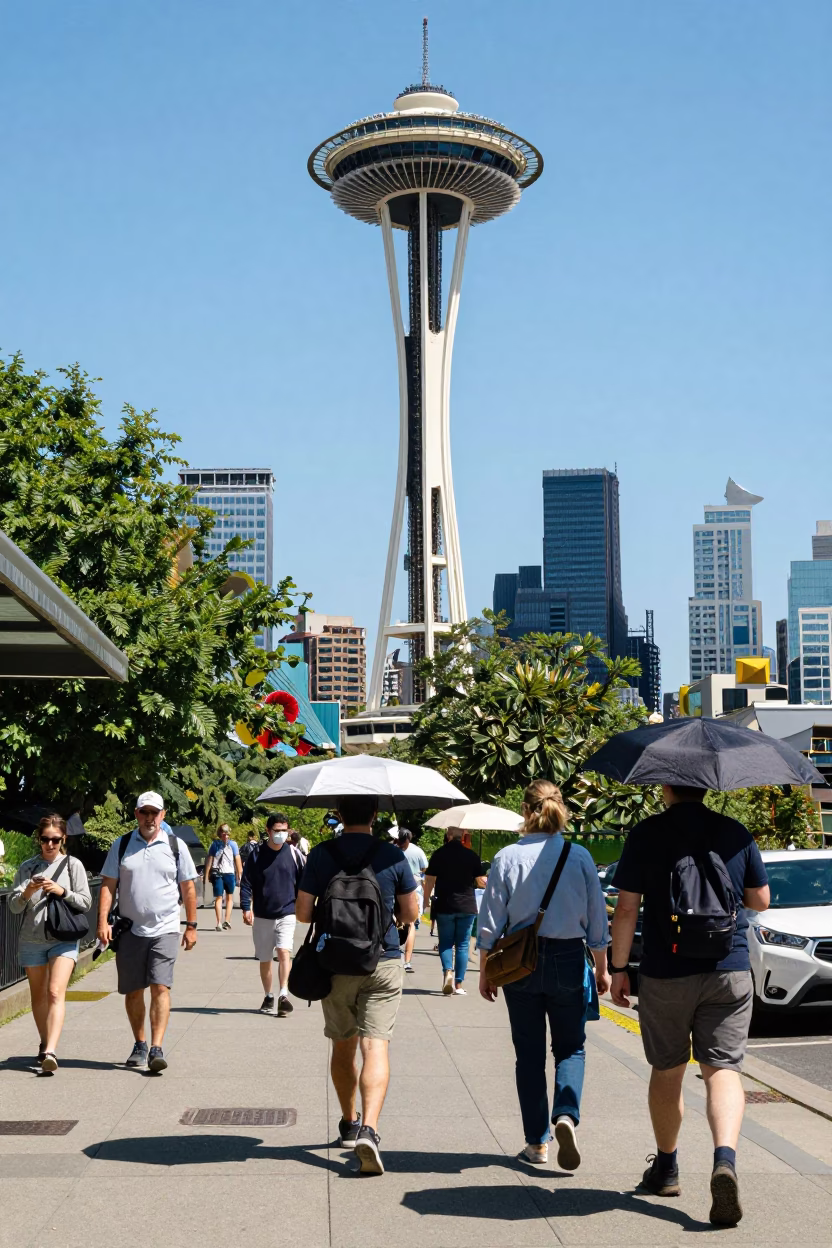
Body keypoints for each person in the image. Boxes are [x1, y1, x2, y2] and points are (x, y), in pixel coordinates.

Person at [610, 783, 770, 1226]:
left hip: (666, 971)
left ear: (665, 786)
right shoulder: (735, 832)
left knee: (668, 1070)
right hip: (729, 967)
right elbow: (761, 900)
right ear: (708, 786)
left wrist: (619, 968)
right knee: (723, 1069)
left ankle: (666, 1168)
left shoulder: (646, 833)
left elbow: (626, 910)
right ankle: (724, 1161)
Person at [477, 780, 610, 1170]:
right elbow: (597, 919)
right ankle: (566, 1113)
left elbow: (490, 922)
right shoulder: (579, 855)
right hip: (570, 957)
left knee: (529, 1056)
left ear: (525, 810)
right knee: (571, 1047)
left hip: (521, 961)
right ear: (560, 808)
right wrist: (602, 969)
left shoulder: (506, 858)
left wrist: (486, 971)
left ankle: (537, 1143)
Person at [296, 795, 418, 1175]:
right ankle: (370, 1129)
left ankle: (349, 1122)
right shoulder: (392, 855)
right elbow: (412, 912)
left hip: (334, 964)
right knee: (375, 1045)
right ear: (376, 816)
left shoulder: (320, 853)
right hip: (383, 959)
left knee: (343, 1044)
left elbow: (302, 913)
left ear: (338, 814)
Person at [97, 791, 199, 1073]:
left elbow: (188, 888)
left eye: (155, 812)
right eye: (145, 812)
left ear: (163, 815)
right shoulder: (122, 844)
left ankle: (156, 1047)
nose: (150, 817)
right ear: (136, 814)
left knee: (160, 986)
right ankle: (139, 1043)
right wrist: (102, 922)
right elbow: (108, 885)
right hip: (130, 930)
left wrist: (191, 925)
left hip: (165, 928)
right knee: (132, 990)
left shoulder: (176, 846)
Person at [9, 815, 92, 1073]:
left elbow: (86, 902)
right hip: (32, 939)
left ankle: (50, 1051)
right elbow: (13, 906)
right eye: (45, 839)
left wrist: (62, 891)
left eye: (55, 840)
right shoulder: (27, 867)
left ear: (63, 839)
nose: (50, 844)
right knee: (39, 996)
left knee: (55, 992)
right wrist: (27, 892)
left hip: (63, 938)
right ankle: (45, 1041)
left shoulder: (72, 865)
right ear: (39, 839)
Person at [240, 814, 303, 1017]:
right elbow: (246, 882)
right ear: (268, 831)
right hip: (263, 915)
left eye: (284, 830)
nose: (280, 834)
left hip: (287, 913)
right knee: (265, 958)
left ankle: (284, 994)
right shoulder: (257, 854)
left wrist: (305, 906)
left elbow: (304, 882)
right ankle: (269, 995)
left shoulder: (294, 854)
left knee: (284, 951)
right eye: (277, 830)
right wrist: (245, 907)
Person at [422, 828, 486, 995]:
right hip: (467, 905)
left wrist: (425, 900)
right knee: (463, 945)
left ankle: (448, 972)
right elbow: (480, 881)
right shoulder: (471, 855)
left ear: (448, 835)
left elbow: (429, 879)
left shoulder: (439, 854)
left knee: (445, 943)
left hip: (445, 905)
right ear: (463, 836)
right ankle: (458, 985)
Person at [389, 827, 427, 974]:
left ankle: (392, 951)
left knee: (391, 919)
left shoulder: (390, 850)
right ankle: (407, 960)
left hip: (393, 890)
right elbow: (425, 869)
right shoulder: (418, 851)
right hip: (413, 890)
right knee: (410, 924)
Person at [203, 824, 242, 930]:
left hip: (229, 873)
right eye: (223, 833)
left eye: (227, 833)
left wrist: (240, 874)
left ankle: (227, 920)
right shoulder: (215, 844)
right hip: (217, 873)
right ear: (220, 834)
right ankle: (219, 922)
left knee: (230, 897)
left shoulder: (233, 844)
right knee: (219, 897)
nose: (225, 835)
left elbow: (237, 859)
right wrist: (206, 875)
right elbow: (210, 860)